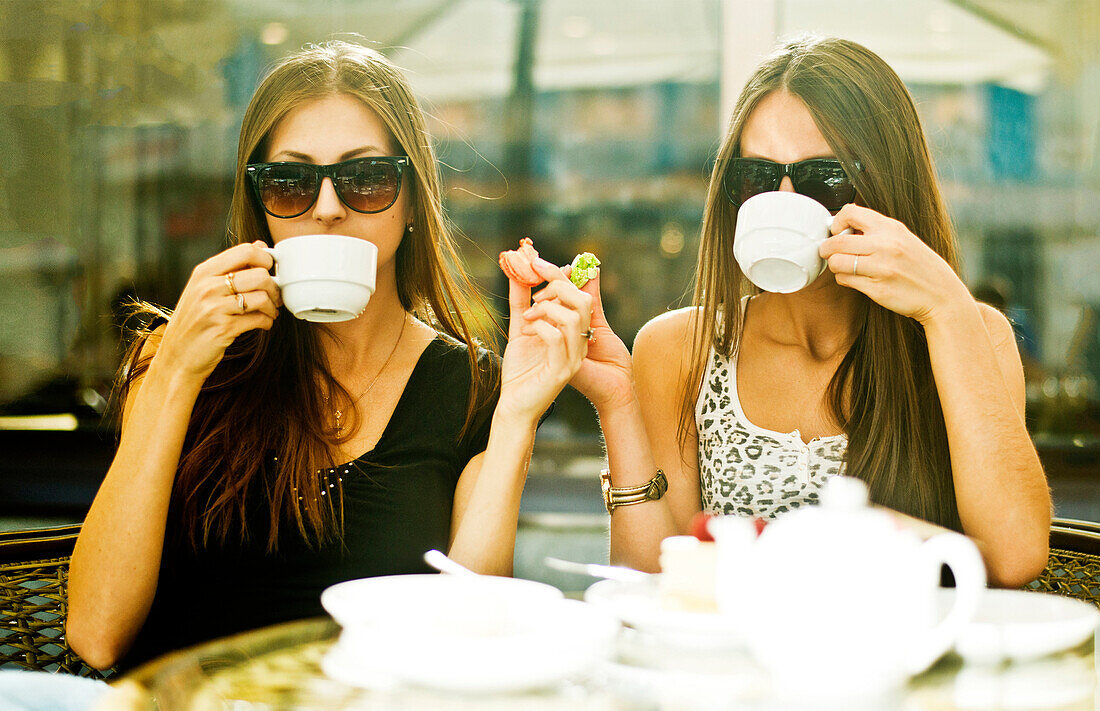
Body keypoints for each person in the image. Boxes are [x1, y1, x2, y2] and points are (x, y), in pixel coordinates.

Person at [65, 41, 593, 672]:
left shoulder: (468, 386)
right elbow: (97, 634)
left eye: (365, 178)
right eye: (290, 183)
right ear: (260, 206)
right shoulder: (193, 357)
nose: (327, 208)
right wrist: (176, 369)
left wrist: (515, 418)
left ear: (413, 197)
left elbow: (467, 640)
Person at [568, 35, 1050, 587]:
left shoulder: (968, 331)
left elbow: (1014, 560)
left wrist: (945, 305)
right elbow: (657, 581)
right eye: (756, 178)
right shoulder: (682, 348)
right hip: (739, 668)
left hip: (914, 663)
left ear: (886, 185)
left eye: (824, 177)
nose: (784, 200)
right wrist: (617, 406)